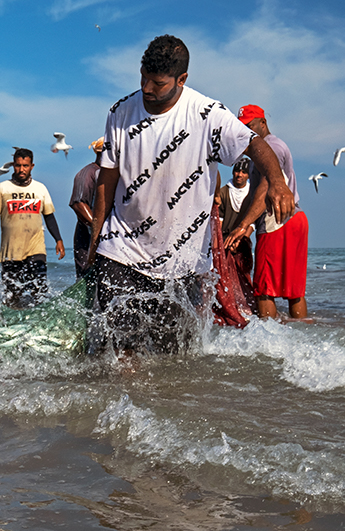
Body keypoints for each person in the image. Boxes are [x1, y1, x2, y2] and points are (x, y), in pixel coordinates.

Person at [86, 35, 296, 353]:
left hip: (182, 260)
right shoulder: (120, 112)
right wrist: (96, 237)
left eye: (157, 83)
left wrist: (278, 182)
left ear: (181, 79)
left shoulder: (207, 114)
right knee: (122, 349)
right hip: (122, 249)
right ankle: (124, 386)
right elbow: (107, 178)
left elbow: (254, 144)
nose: (146, 89)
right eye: (143, 78)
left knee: (175, 356)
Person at [223, 105, 309, 320]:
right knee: (294, 291)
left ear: (263, 123)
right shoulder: (268, 149)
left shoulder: (271, 148)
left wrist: (243, 226)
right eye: (242, 128)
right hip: (294, 219)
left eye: (250, 126)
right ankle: (302, 335)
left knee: (263, 290)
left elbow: (264, 190)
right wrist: (246, 228)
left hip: (276, 221)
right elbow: (256, 192)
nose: (246, 132)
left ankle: (267, 340)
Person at [0, 148, 65, 308]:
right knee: (12, 296)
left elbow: (49, 217)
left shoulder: (40, 189)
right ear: (13, 165)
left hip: (36, 249)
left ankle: (39, 319)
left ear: (32, 166)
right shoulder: (2, 188)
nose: (21, 169)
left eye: (25, 166)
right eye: (18, 165)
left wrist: (58, 239)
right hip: (11, 252)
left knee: (39, 292)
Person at [215, 158, 254, 303]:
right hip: (224, 243)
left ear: (248, 175)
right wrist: (222, 245)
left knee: (244, 278)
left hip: (242, 243)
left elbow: (252, 223)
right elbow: (218, 224)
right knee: (223, 279)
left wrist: (241, 240)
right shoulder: (223, 193)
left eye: (244, 172)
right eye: (237, 171)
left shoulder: (252, 194)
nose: (239, 175)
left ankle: (247, 307)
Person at [69, 138, 104, 278]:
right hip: (88, 240)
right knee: (88, 277)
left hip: (108, 240)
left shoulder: (112, 175)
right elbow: (78, 204)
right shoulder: (88, 173)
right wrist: (98, 230)